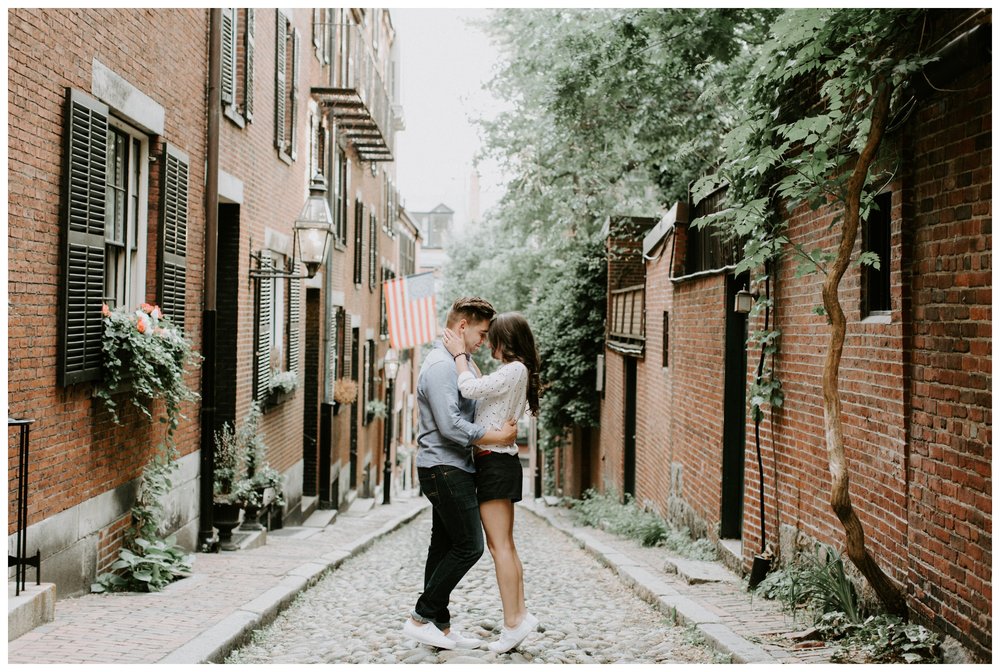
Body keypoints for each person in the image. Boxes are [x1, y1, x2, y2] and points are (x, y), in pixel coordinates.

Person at [402, 297, 518, 651]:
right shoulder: (439, 366)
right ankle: (420, 618)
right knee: (470, 545)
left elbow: (479, 397)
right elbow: (450, 426)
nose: (485, 340)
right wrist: (495, 436)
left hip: (453, 467)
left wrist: (466, 359)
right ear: (462, 326)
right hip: (443, 468)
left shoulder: (458, 362)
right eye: (482, 333)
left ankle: (440, 627)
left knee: (444, 545)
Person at [442, 311, 541, 654]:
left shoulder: (513, 370)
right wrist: (466, 357)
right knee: (506, 546)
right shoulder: (514, 373)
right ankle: (519, 616)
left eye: (493, 336)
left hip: (495, 464)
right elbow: (485, 394)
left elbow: (468, 389)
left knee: (500, 547)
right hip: (501, 463)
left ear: (506, 340)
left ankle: (514, 622)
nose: (489, 343)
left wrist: (458, 357)